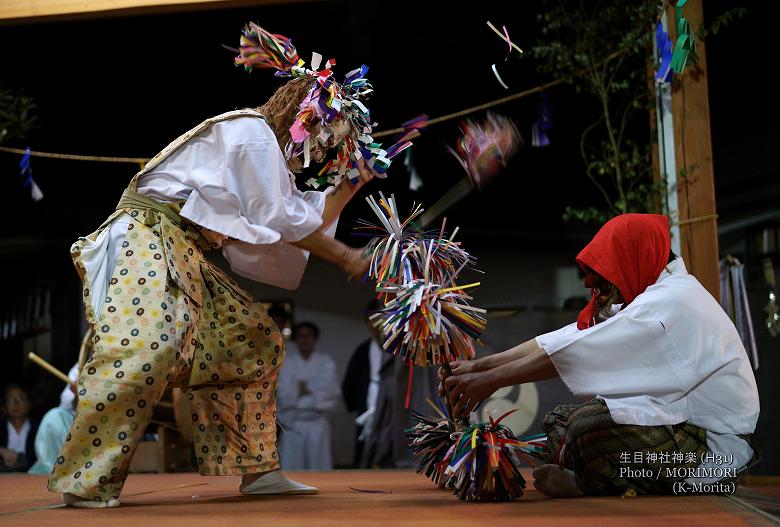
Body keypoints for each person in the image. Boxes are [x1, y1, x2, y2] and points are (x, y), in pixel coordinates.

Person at [48, 22, 389, 508]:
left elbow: (292, 220)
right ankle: (86, 479)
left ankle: (255, 470)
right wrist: (345, 256)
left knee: (251, 342)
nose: (324, 150)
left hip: (183, 250)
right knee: (146, 346)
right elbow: (284, 220)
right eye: (325, 135)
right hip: (145, 234)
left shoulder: (267, 156)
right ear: (304, 115)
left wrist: (349, 187)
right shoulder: (252, 136)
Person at [442, 214, 760, 497]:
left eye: (602, 270)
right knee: (559, 421)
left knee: (584, 427)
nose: (590, 282)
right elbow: (564, 339)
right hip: (679, 425)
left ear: (634, 258)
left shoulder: (672, 302)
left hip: (712, 454)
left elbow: (576, 352)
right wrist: (478, 368)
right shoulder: (654, 296)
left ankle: (588, 483)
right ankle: (596, 474)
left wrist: (488, 381)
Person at [277, 322, 340, 470]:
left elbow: (329, 388)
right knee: (292, 466)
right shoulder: (287, 362)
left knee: (319, 465)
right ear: (296, 339)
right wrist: (311, 386)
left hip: (317, 421)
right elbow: (283, 390)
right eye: (300, 336)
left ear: (315, 338)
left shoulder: (326, 361)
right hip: (293, 422)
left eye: (308, 335)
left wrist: (302, 387)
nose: (305, 339)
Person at [341, 299, 383, 467]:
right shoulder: (363, 350)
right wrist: (356, 404)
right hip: (368, 404)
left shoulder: (400, 349)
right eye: (372, 321)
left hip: (394, 406)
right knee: (365, 451)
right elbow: (349, 382)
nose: (376, 325)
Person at [29, 384, 77, 474]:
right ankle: (53, 472)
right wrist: (78, 391)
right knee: (53, 417)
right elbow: (66, 403)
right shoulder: (77, 371)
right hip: (78, 420)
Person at [0, 384, 38, 472]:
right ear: (3, 407)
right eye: (10, 400)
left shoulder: (39, 429)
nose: (15, 403)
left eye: (21, 398)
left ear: (29, 404)